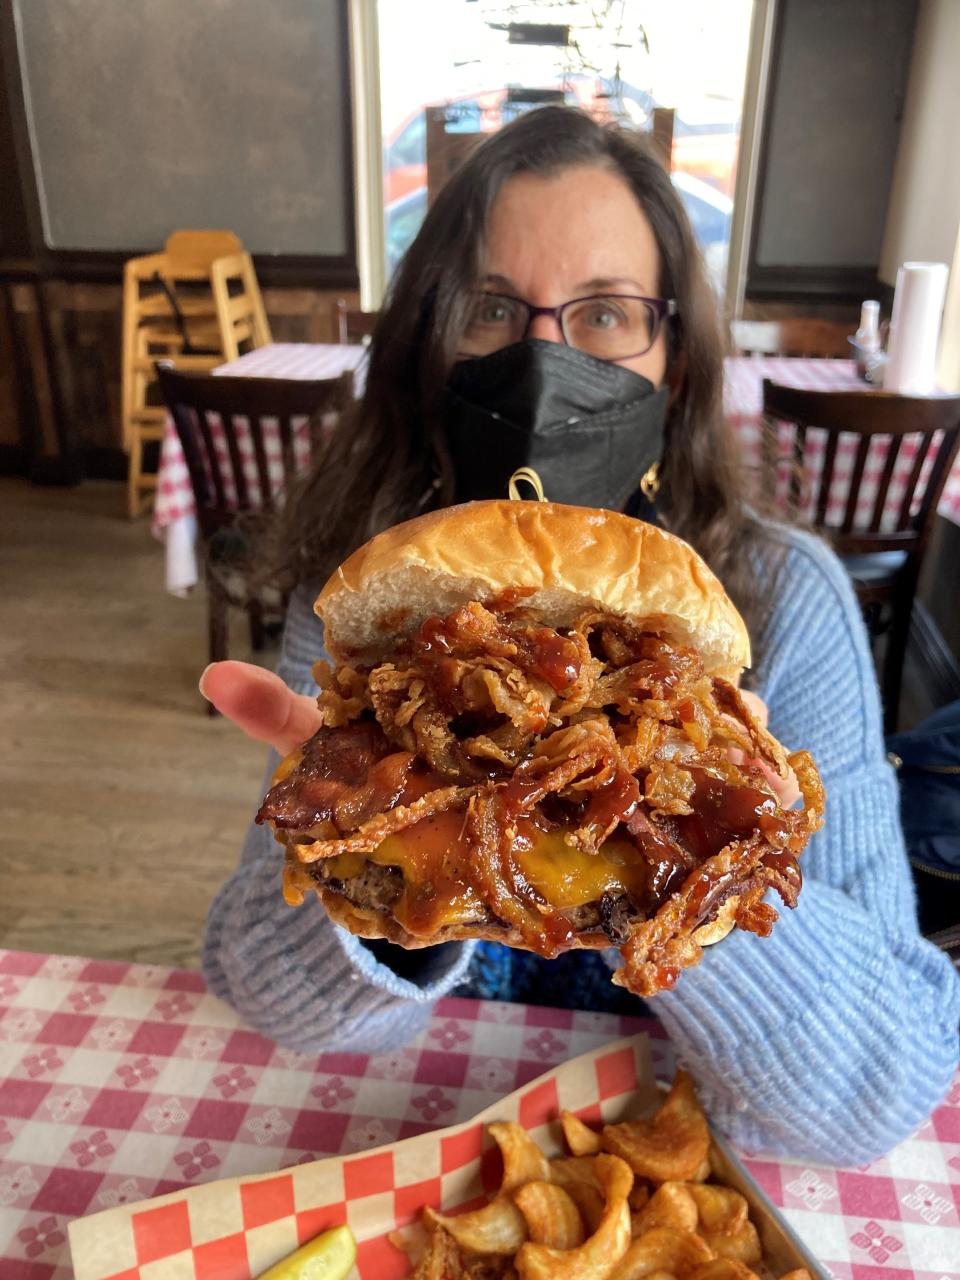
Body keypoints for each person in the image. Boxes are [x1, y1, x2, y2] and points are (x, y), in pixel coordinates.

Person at [199, 107, 959, 1166]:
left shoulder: (784, 600)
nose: (542, 357)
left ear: (678, 364)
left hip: (681, 1155)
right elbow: (265, 993)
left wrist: (690, 865)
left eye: (606, 314)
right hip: (419, 1142)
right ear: (428, 345)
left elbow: (888, 1084)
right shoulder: (364, 593)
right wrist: (382, 824)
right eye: (491, 308)